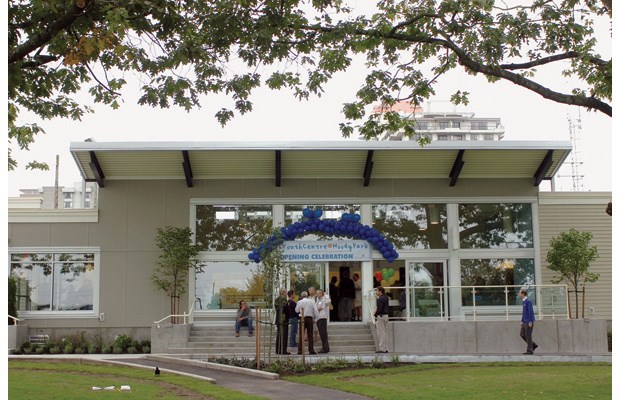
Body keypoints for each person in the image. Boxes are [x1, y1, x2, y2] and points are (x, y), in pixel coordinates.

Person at [519, 289, 539, 354]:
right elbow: (524, 312)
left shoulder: (528, 301)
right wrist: (522, 321)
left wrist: (530, 321)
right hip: (524, 321)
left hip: (528, 322)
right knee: (522, 334)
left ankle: (530, 350)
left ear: (523, 294)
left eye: (520, 293)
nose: (519, 294)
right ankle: (533, 345)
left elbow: (530, 312)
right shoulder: (524, 302)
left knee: (528, 336)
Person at [274, 288, 291, 354]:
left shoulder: (276, 300)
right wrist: (289, 312)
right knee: (284, 335)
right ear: (283, 293)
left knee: (279, 335)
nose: (286, 294)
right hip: (283, 319)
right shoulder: (284, 300)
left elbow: (277, 309)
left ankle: (277, 350)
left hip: (278, 319)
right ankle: (283, 350)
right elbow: (286, 309)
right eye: (286, 292)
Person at [374, 286, 389, 353]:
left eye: (377, 290)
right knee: (385, 333)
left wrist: (375, 314)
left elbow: (379, 309)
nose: (376, 292)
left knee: (381, 333)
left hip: (381, 316)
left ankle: (382, 349)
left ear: (380, 291)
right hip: (386, 316)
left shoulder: (379, 299)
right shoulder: (386, 297)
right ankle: (385, 348)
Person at [315, 289, 331, 353]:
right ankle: (325, 348)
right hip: (318, 318)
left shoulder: (324, 299)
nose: (317, 294)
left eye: (319, 293)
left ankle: (325, 348)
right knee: (322, 334)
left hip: (322, 318)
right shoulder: (317, 300)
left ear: (322, 294)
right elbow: (317, 308)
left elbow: (328, 301)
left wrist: (326, 295)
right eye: (317, 293)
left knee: (323, 334)